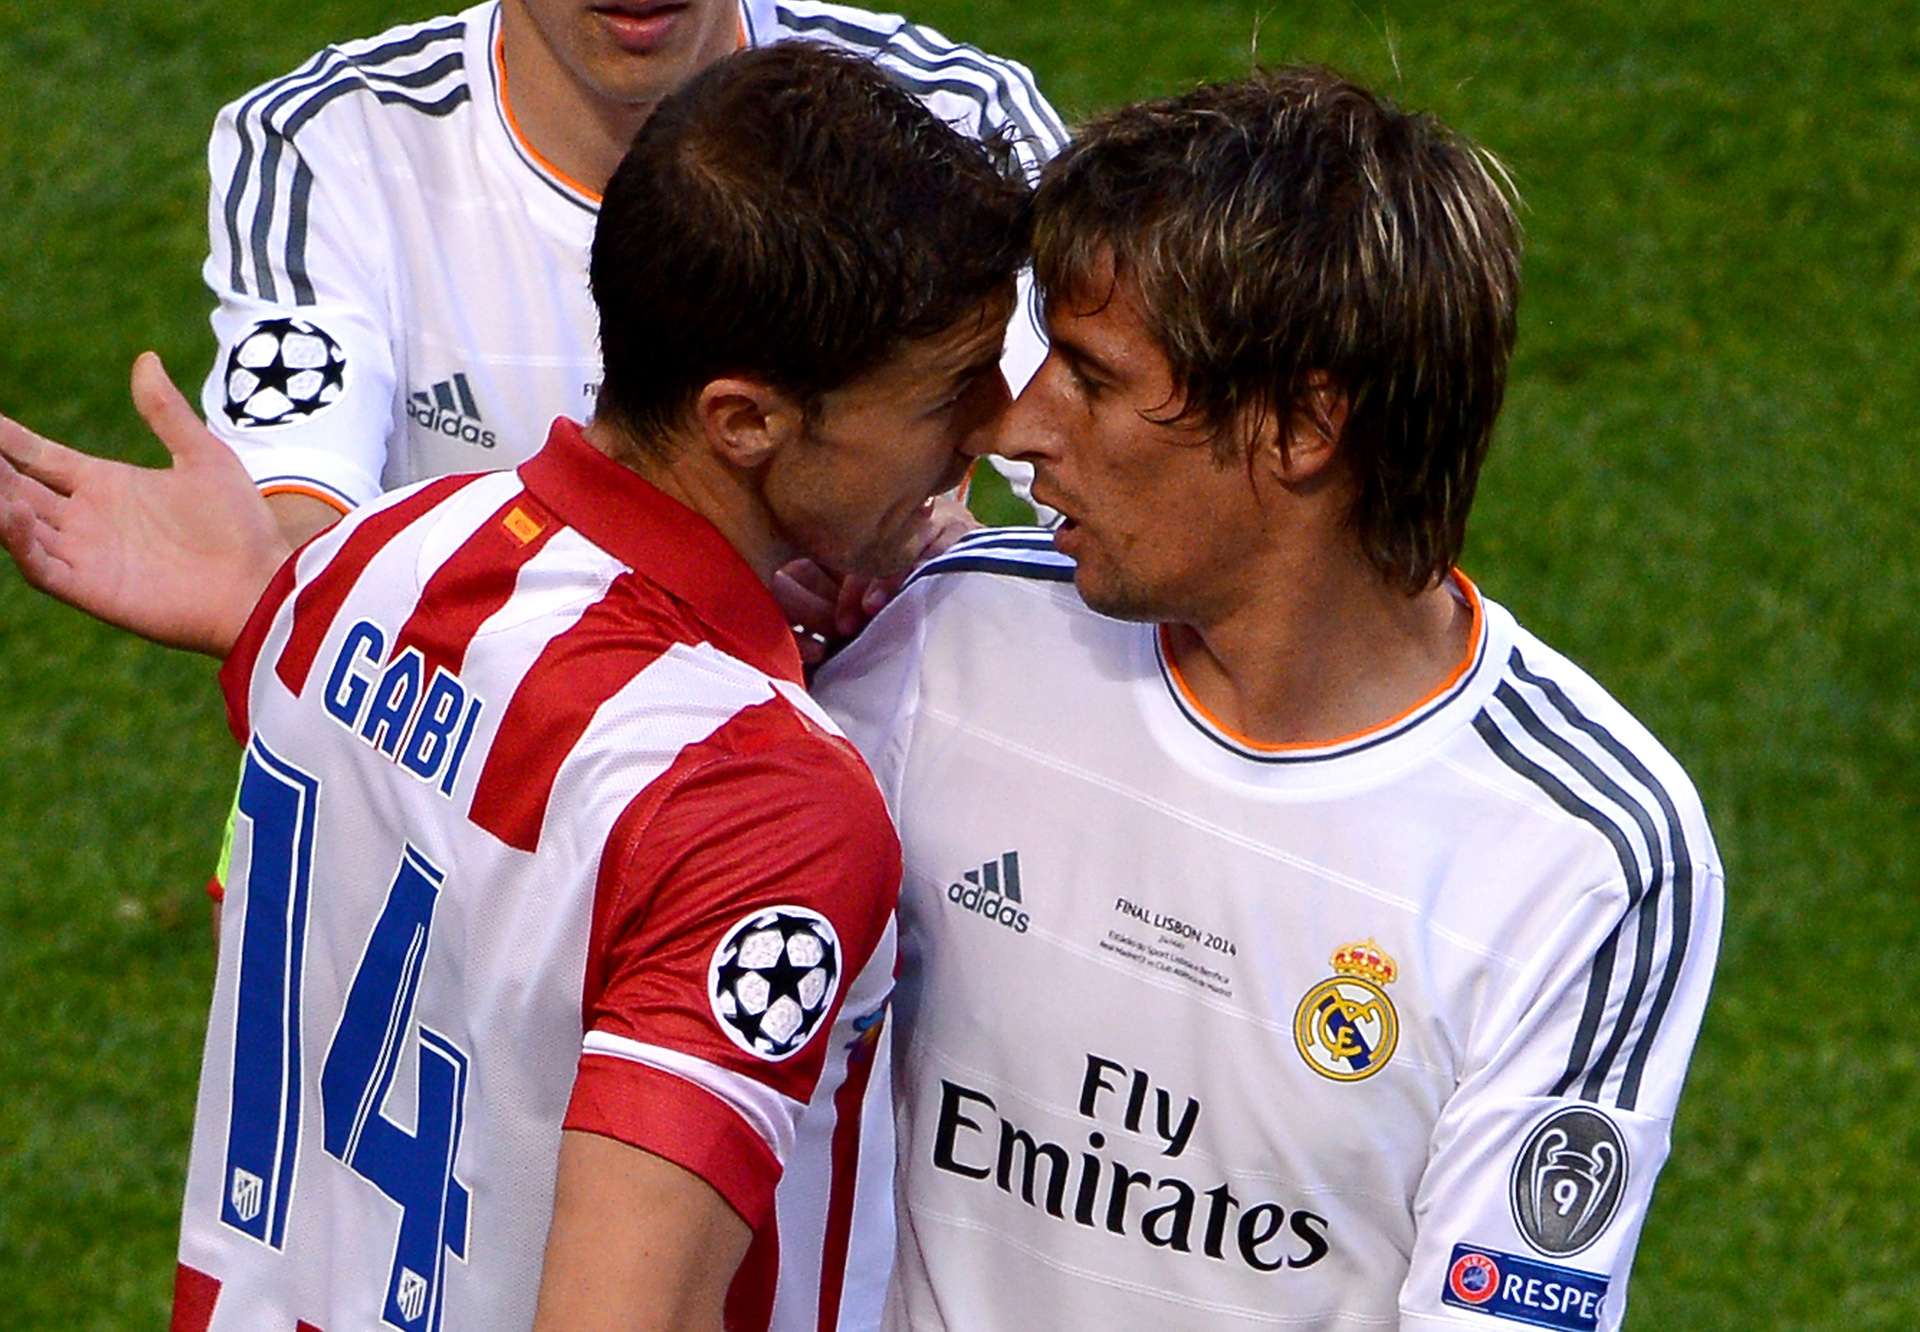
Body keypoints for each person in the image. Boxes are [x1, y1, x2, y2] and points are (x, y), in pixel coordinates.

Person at [813, 67, 1723, 1331]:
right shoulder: (947, 641)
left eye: (1089, 373)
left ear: (1301, 426)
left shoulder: (1583, 856)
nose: (1015, 427)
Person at [168, 43, 1026, 1332]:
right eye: (949, 392)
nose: (995, 427)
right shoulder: (761, 807)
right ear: (744, 421)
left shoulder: (361, 563)